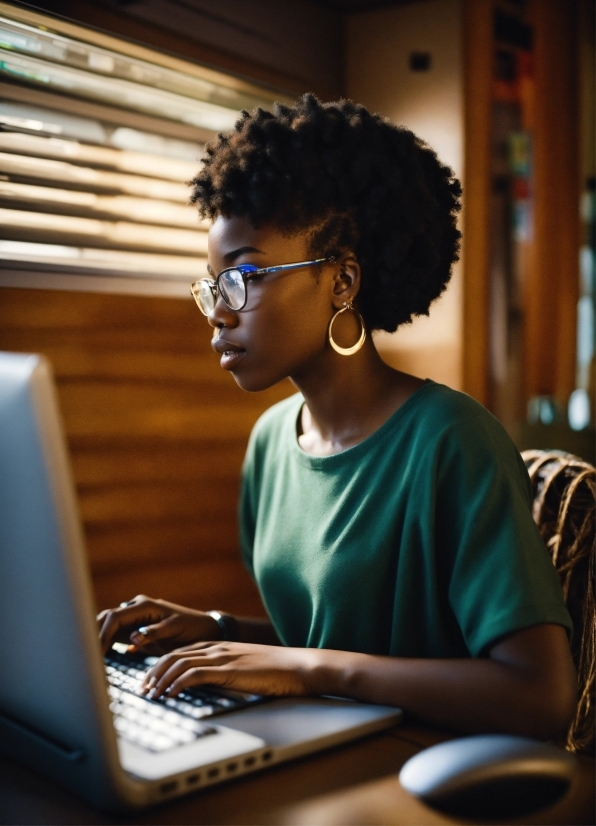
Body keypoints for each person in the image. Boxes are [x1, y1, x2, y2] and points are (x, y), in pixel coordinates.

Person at [98, 95, 576, 739]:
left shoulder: (451, 441)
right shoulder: (271, 442)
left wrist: (308, 668)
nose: (218, 311)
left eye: (245, 276)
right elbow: (339, 642)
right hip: (321, 751)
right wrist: (221, 633)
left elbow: (540, 695)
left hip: (423, 776)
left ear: (342, 282)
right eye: (213, 285)